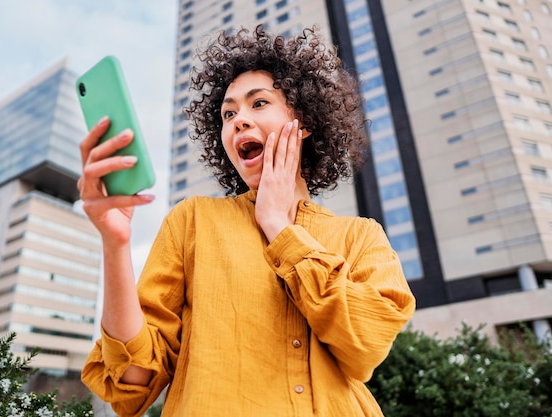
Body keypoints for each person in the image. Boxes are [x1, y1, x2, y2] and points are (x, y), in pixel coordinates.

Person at [78, 25, 416, 417]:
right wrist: (115, 244)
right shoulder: (193, 221)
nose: (238, 120)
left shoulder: (362, 236)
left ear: (304, 121)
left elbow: (366, 346)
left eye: (258, 104)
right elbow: (131, 384)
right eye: (228, 113)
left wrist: (279, 227)